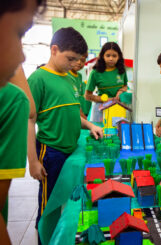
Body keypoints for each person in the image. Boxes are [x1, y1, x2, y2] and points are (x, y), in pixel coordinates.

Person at [27, 27, 103, 231]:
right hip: (51, 151)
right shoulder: (38, 79)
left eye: (77, 60)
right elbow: (29, 122)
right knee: (49, 202)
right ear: (54, 50)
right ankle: (44, 234)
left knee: (67, 199)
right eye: (70, 58)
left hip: (71, 151)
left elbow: (74, 114)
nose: (73, 64)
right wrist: (33, 161)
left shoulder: (69, 78)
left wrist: (90, 125)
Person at [0, 1, 45, 244]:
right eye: (18, 33)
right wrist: (34, 160)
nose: (21, 55)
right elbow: (29, 108)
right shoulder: (12, 100)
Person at [85, 42, 128, 121]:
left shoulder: (122, 70)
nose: (111, 58)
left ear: (119, 57)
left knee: (117, 131)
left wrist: (121, 91)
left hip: (118, 107)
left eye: (114, 56)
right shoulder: (95, 72)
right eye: (108, 55)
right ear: (102, 56)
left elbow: (125, 85)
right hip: (101, 108)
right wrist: (106, 99)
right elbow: (87, 96)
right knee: (99, 131)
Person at [68, 53, 91, 119]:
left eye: (82, 60)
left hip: (79, 112)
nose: (79, 62)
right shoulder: (66, 75)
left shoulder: (79, 76)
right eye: (76, 59)